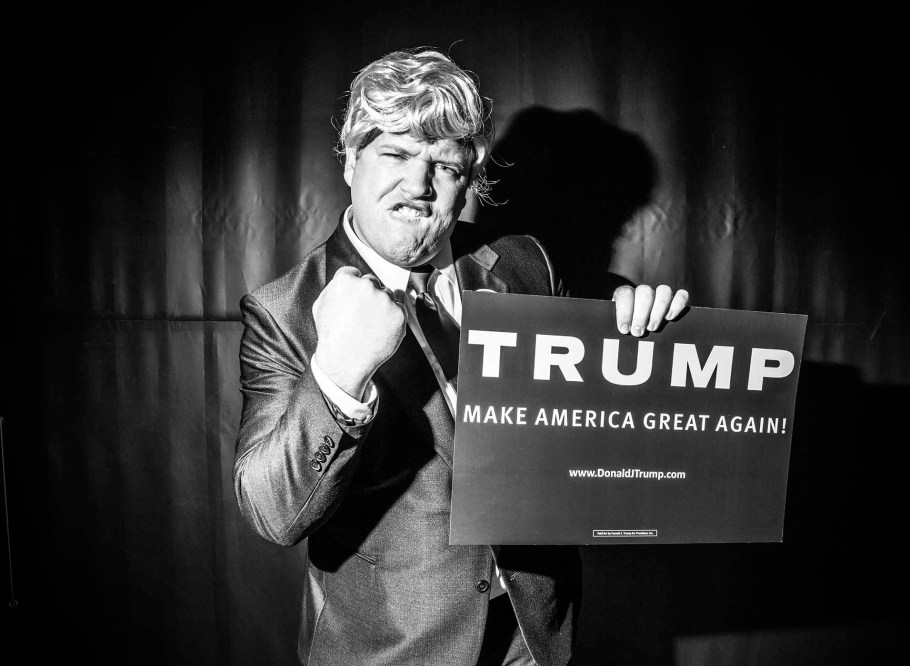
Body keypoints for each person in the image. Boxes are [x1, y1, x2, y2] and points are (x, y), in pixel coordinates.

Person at [234, 48, 689, 666]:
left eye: (443, 165)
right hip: (394, 650)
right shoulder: (284, 309)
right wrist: (339, 373)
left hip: (532, 633)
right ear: (351, 160)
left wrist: (630, 303)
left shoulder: (523, 260)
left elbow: (587, 312)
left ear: (469, 178)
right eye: (394, 154)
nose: (418, 185)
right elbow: (271, 512)